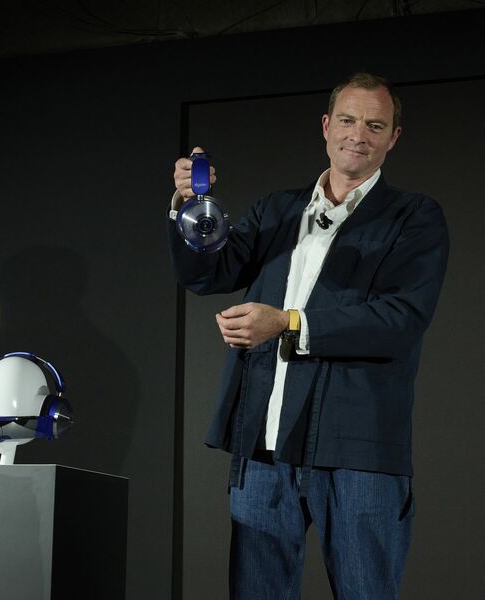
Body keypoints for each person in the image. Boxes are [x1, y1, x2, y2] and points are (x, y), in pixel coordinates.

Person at [167, 73, 449, 599]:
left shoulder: (415, 218)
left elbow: (401, 319)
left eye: (375, 125)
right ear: (326, 126)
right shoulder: (277, 210)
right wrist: (190, 208)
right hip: (264, 447)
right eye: (347, 120)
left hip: (358, 451)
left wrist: (287, 323)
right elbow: (207, 273)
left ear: (393, 137)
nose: (357, 135)